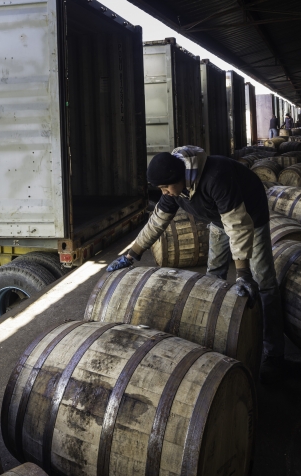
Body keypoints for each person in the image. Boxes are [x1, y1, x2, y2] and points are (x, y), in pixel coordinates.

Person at [107, 146, 285, 383]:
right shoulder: (174, 190)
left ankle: (273, 352)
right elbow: (157, 221)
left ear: (179, 179)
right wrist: (131, 255)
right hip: (218, 218)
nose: (164, 193)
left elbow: (238, 225)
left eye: (165, 188)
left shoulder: (215, 177)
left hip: (251, 215)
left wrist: (242, 272)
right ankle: (219, 335)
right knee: (213, 275)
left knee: (263, 282)